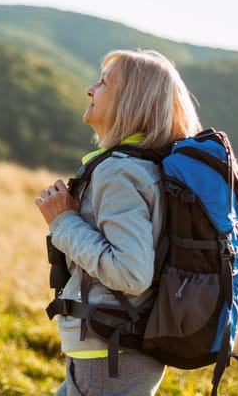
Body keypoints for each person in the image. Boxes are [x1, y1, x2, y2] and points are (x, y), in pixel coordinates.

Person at [34, 49, 202, 396]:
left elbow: (131, 273)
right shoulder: (144, 165)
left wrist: (63, 221)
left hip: (111, 357)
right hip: (114, 351)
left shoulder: (119, 172)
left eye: (104, 82)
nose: (90, 89)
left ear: (130, 101)